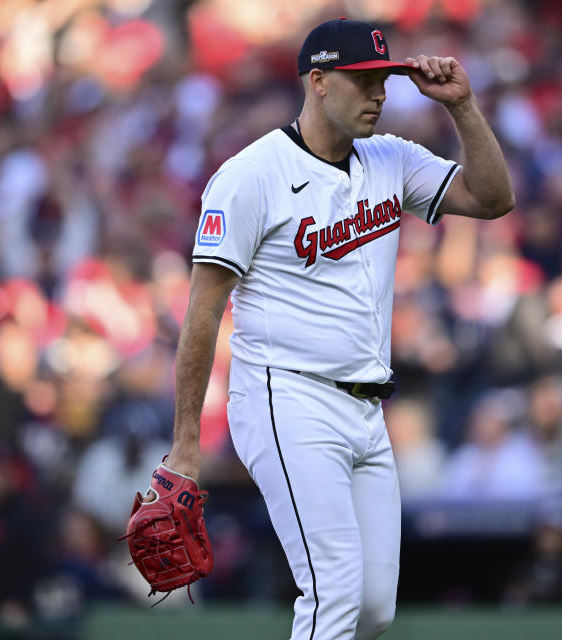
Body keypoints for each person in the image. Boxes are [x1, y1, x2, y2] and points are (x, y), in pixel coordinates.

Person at [144, 17, 513, 640]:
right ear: (317, 81)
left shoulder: (391, 159)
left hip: (368, 407)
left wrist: (464, 107)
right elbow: (203, 311)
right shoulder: (250, 175)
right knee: (335, 592)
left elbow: (492, 198)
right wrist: (184, 445)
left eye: (384, 81)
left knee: (374, 608)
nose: (379, 95)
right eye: (363, 81)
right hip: (287, 397)